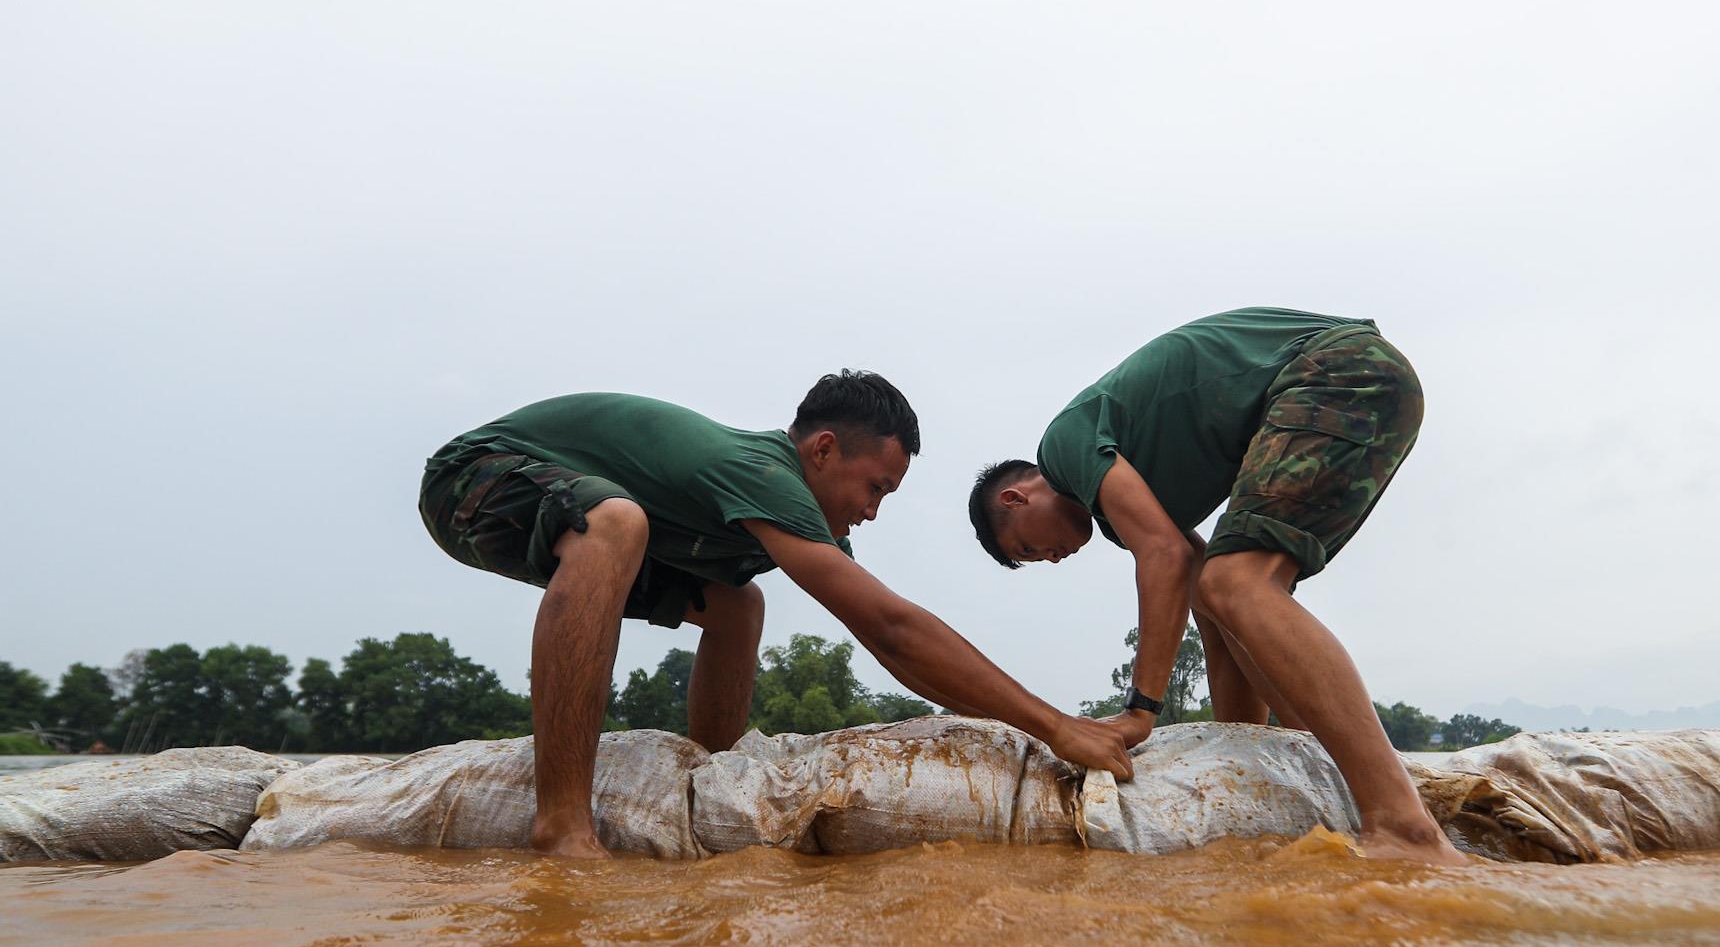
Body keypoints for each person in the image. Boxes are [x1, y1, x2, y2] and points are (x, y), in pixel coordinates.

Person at [421, 374, 1131, 857]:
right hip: (477, 476)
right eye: (874, 486)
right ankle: (562, 824)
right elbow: (891, 631)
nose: (873, 510)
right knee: (616, 523)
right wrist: (1056, 728)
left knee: (737, 603)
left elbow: (891, 622)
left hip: (592, 515)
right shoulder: (763, 473)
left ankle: (703, 784)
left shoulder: (792, 506)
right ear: (823, 450)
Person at [966, 307, 1468, 865]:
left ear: (1016, 498)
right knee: (1224, 586)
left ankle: (1404, 825)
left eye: (1030, 549)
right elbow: (1198, 585)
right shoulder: (1115, 509)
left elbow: (1165, 554)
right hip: (1356, 381)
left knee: (1237, 583)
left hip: (1333, 373)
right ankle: (1298, 757)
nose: (1052, 558)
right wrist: (1237, 745)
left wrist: (1140, 711)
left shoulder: (1063, 446)